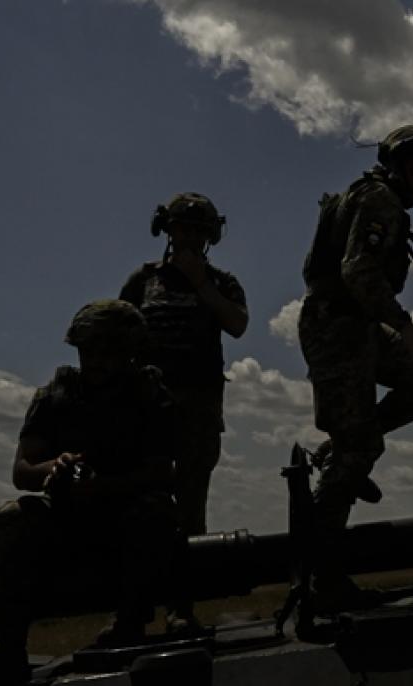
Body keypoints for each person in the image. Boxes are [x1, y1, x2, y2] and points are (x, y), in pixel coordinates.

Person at [298, 124, 413, 606]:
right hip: (338, 327)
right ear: (412, 169)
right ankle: (321, 580)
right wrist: (404, 325)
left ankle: (349, 442)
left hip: (360, 326)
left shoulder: (365, 196)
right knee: (357, 450)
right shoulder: (381, 201)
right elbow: (358, 269)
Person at [0, 300, 177, 685]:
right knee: (11, 519)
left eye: (111, 352)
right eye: (91, 351)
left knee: (156, 511)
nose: (99, 362)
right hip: (66, 518)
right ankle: (9, 646)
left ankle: (130, 624)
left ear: (130, 353)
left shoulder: (148, 393)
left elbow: (162, 473)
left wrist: (106, 487)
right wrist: (54, 469)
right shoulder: (55, 395)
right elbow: (22, 471)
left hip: (125, 515)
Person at [119, 192, 246, 631]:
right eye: (182, 229)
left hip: (199, 408)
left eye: (198, 231)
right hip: (148, 409)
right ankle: (132, 612)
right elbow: (120, 330)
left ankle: (180, 609)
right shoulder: (144, 279)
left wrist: (201, 284)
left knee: (190, 509)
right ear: (167, 231)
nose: (189, 237)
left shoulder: (221, 281)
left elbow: (237, 323)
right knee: (138, 507)